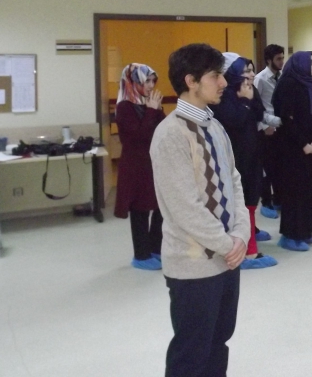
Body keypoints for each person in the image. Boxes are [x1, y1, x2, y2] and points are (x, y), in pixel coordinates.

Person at [150, 43, 250, 377]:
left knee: (218, 342)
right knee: (191, 353)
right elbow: (185, 208)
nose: (224, 82)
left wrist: (241, 235)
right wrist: (229, 245)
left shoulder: (214, 127)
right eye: (215, 75)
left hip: (227, 260)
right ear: (191, 81)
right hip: (193, 267)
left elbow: (234, 181)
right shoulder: (170, 134)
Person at [209, 54, 278, 269]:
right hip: (235, 156)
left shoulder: (250, 90)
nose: (251, 74)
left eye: (251, 70)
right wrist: (245, 101)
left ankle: (250, 237)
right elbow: (235, 120)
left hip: (252, 151)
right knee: (239, 200)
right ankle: (246, 252)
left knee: (251, 197)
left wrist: (250, 97)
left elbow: (259, 114)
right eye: (246, 71)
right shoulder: (223, 96)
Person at [114, 63, 165, 270]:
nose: (151, 86)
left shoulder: (150, 104)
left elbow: (162, 129)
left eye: (153, 81)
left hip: (154, 163)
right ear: (132, 83)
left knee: (161, 206)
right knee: (140, 210)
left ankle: (155, 248)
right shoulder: (124, 107)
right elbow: (138, 136)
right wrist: (152, 111)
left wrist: (155, 110)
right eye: (146, 81)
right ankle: (141, 256)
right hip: (136, 166)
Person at [271, 51, 312, 252]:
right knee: (294, 191)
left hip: (308, 146)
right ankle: (290, 235)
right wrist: (303, 143)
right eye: (310, 63)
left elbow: (311, 115)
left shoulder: (305, 84)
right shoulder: (289, 84)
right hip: (292, 147)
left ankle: (304, 231)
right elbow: (287, 119)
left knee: (306, 189)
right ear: (300, 65)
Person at [255, 44, 284, 219]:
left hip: (280, 127)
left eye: (282, 58)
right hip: (266, 129)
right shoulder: (260, 79)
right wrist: (264, 127)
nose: (281, 61)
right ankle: (266, 202)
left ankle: (278, 198)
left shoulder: (282, 77)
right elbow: (255, 107)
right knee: (267, 168)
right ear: (269, 60)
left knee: (280, 167)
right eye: (278, 58)